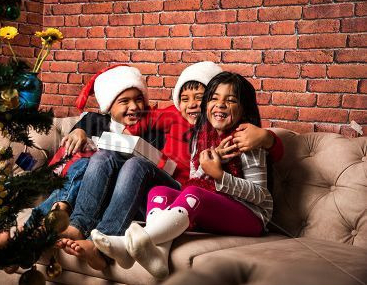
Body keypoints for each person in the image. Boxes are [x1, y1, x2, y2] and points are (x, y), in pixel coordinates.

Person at [59, 62, 283, 271]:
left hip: (200, 196)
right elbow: (135, 122)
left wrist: (266, 138)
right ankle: (87, 229)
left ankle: (121, 243)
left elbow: (268, 167)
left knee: (147, 171)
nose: (192, 104)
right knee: (110, 161)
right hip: (178, 189)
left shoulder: (247, 137)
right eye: (185, 99)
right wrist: (85, 128)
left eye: (200, 97)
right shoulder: (193, 131)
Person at [0, 65, 155, 249]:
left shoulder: (152, 127)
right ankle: (25, 241)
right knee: (82, 163)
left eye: (139, 99)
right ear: (109, 106)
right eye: (124, 101)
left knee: (94, 161)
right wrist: (79, 132)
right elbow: (79, 131)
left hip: (115, 193)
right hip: (80, 188)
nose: (134, 106)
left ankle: (42, 224)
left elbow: (148, 166)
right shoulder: (96, 121)